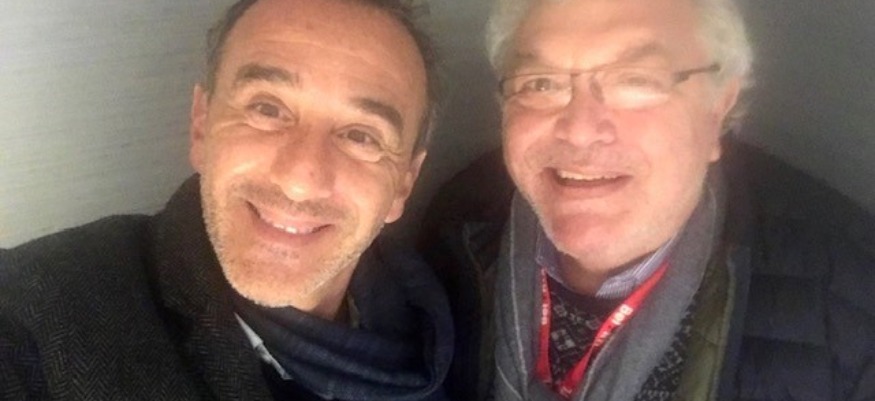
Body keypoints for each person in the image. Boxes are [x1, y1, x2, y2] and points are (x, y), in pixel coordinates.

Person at [420, 0, 875, 400]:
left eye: (636, 81)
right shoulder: (456, 227)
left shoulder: (849, 296)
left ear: (718, 108)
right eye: (541, 84)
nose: (580, 130)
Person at [0, 0, 453, 399]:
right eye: (267, 109)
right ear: (202, 126)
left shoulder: (443, 320)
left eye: (361, 136)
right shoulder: (32, 318)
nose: (300, 180)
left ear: (403, 184)